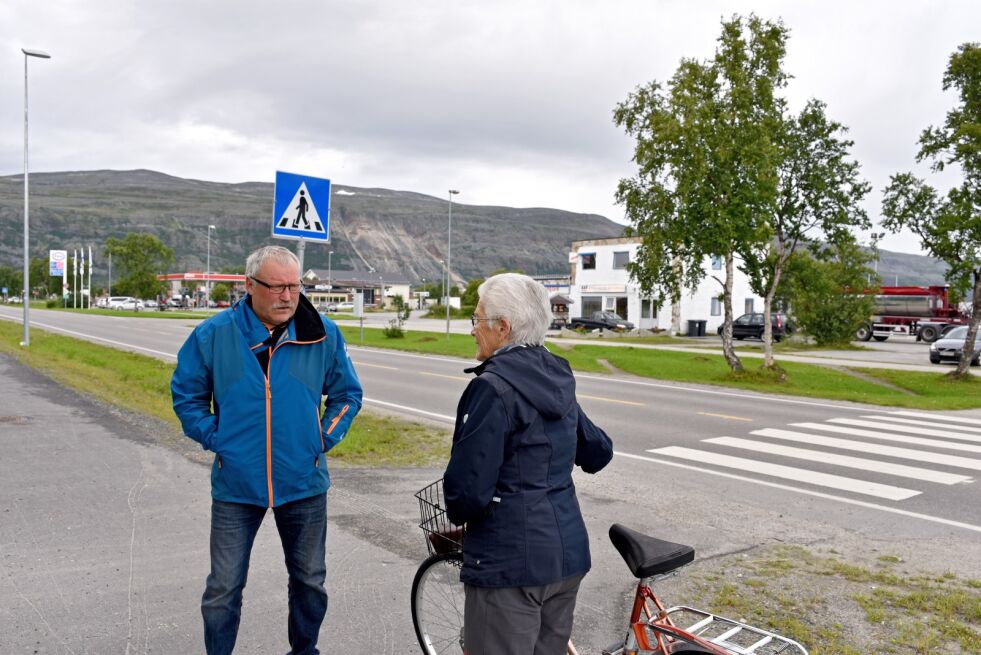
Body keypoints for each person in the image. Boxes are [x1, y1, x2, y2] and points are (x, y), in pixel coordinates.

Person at [171, 245, 362, 655]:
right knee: (223, 587)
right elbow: (187, 397)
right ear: (249, 286)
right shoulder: (214, 334)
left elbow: (347, 394)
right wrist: (219, 439)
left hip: (303, 481)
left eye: (294, 286)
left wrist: (321, 438)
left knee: (310, 580)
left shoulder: (323, 333)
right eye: (276, 287)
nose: (288, 296)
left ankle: (304, 650)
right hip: (237, 484)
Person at [442, 273, 613, 655]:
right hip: (565, 557)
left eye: (477, 319)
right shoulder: (555, 377)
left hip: (510, 565)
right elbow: (598, 451)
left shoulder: (492, 388)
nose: (473, 331)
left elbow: (466, 495)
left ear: (502, 327)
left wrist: (458, 507)